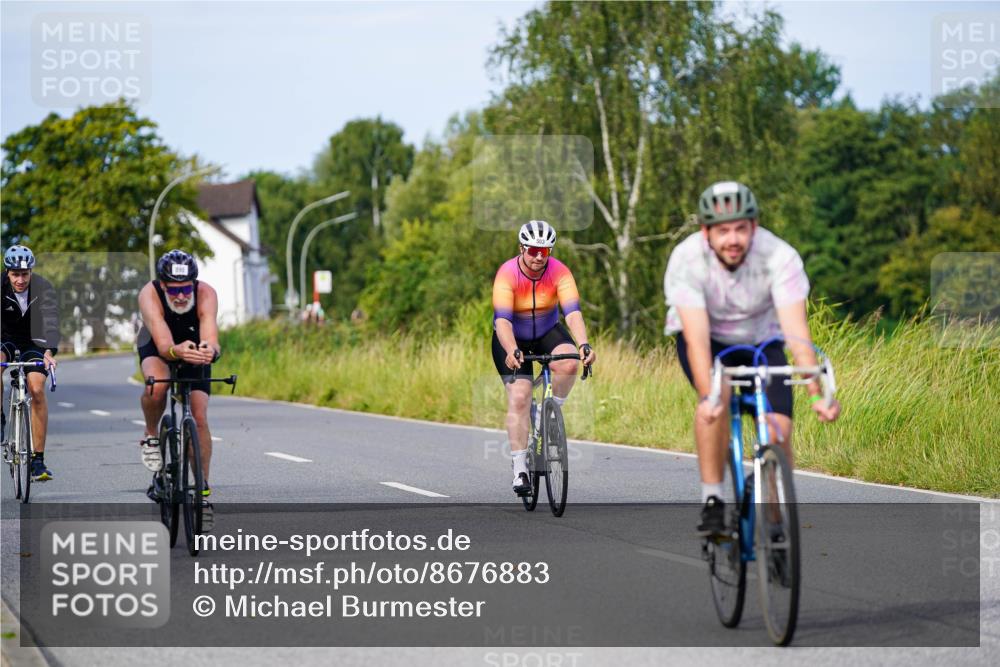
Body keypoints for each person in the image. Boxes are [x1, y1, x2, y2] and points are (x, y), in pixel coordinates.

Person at [664, 181, 842, 536]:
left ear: (754, 227)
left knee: (779, 429)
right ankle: (713, 500)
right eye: (723, 230)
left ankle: (776, 523)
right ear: (706, 232)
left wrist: (815, 394)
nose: (733, 239)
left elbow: (797, 334)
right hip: (707, 341)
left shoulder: (780, 257)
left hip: (763, 341)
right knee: (718, 396)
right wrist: (710, 396)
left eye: (741, 229)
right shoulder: (686, 259)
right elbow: (697, 341)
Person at [492, 220, 596, 495]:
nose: (539, 257)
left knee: (570, 360)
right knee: (520, 396)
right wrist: (513, 350)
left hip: (548, 330)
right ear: (522, 248)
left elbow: (572, 312)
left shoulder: (560, 272)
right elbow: (502, 320)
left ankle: (550, 414)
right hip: (512, 336)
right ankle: (520, 470)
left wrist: (584, 344)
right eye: (533, 251)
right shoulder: (507, 274)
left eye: (545, 251)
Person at [136, 250, 221, 529]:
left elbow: (210, 336)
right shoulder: (149, 294)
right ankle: (151, 435)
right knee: (157, 387)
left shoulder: (207, 293)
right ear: (162, 286)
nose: (182, 296)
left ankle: (202, 493)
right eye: (175, 290)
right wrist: (176, 351)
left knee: (199, 417)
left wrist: (209, 351)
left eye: (186, 289)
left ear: (194, 284)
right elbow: (163, 345)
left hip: (192, 344)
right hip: (159, 343)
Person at [1, 245, 59, 481]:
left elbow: (52, 320)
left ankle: (38, 461)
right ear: (8, 273)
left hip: (34, 342)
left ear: (31, 272)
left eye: (25, 274)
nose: (20, 279)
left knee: (36, 388)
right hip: (4, 339)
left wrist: (49, 351)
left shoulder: (44, 287)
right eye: (15, 274)